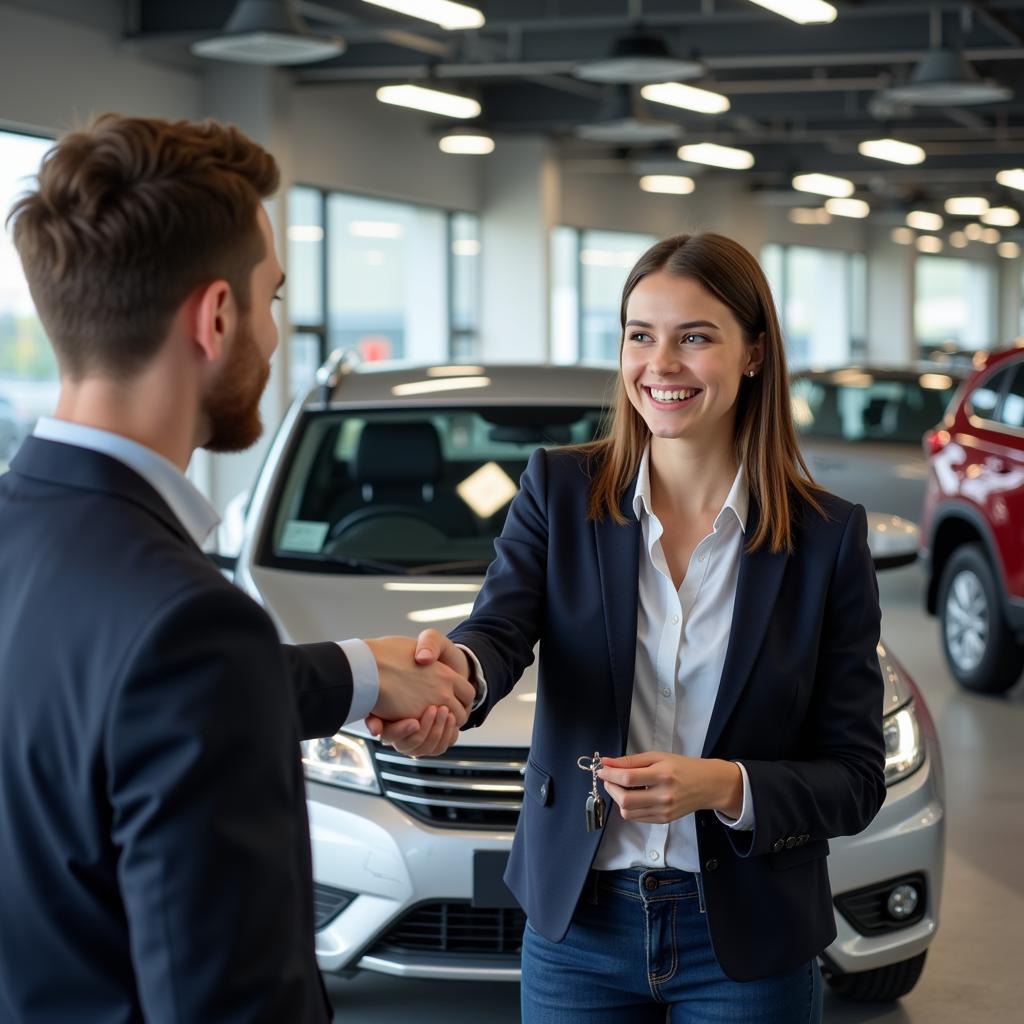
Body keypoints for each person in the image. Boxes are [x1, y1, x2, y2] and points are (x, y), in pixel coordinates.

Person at [0, 114, 471, 1024]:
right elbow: (228, 1003)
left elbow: (96, 703)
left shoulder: (42, 547)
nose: (272, 330)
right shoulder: (191, 625)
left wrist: (364, 672)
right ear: (216, 317)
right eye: (271, 299)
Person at [373, 233, 887, 1022]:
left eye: (695, 337)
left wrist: (723, 785)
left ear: (753, 353)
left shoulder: (826, 538)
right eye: (640, 335)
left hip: (748, 938)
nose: (662, 364)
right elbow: (499, 633)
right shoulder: (559, 488)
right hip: (580, 924)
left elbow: (855, 778)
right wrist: (453, 682)